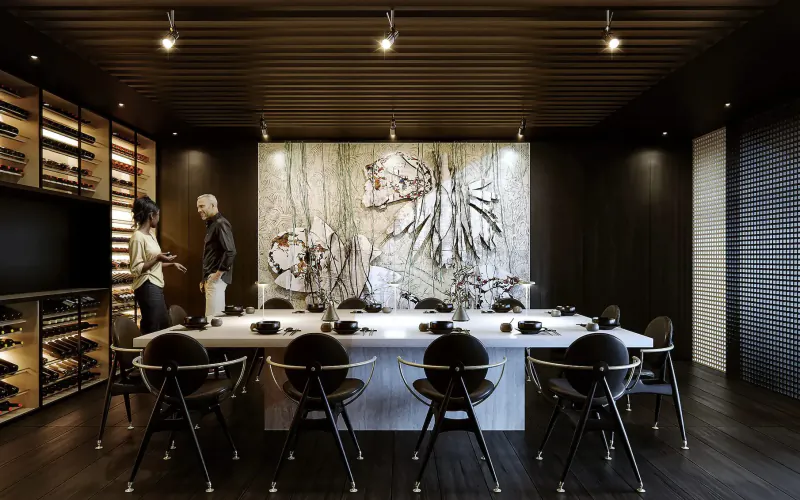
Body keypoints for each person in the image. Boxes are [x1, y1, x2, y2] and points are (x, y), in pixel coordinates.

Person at [129, 196, 187, 333]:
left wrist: (172, 264)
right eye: (158, 215)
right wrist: (157, 259)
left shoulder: (151, 235)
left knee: (163, 325)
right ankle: (147, 353)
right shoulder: (137, 237)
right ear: (151, 216)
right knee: (153, 327)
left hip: (156, 285)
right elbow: (136, 269)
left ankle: (155, 354)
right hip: (147, 287)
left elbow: (154, 264)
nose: (158, 218)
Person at [197, 194, 236, 318]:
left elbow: (230, 251)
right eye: (198, 207)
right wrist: (204, 279)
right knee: (214, 319)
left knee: (212, 320)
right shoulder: (213, 224)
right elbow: (212, 254)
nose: (199, 210)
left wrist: (217, 274)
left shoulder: (220, 223)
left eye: (202, 206)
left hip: (216, 280)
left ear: (213, 205)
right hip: (212, 280)